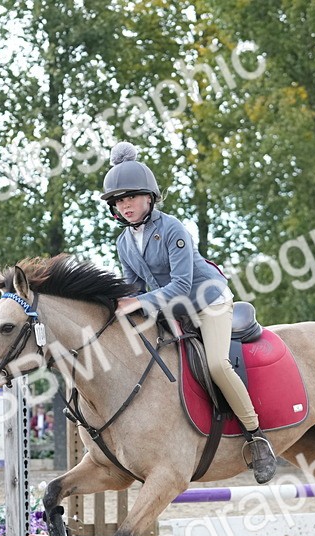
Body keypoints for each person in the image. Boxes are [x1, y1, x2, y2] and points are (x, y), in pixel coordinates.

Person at [101, 142, 276, 483]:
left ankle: (257, 436)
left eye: (131, 197)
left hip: (207, 300)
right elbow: (134, 287)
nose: (125, 205)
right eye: (118, 201)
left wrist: (139, 302)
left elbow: (181, 285)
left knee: (217, 365)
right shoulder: (124, 242)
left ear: (149, 197)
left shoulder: (172, 229)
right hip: (171, 309)